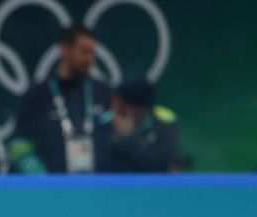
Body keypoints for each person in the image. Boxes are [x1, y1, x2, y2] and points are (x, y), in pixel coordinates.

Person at [10, 24, 112, 174]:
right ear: (65, 49)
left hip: (98, 184)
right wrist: (38, 175)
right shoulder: (37, 96)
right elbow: (19, 143)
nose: (90, 59)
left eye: (92, 53)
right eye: (84, 51)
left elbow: (117, 138)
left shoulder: (104, 92)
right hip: (51, 185)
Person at [101, 76, 179, 173]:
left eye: (120, 103)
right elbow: (100, 162)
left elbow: (162, 163)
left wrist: (127, 139)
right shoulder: (104, 121)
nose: (114, 106)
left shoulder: (165, 123)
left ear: (140, 109)